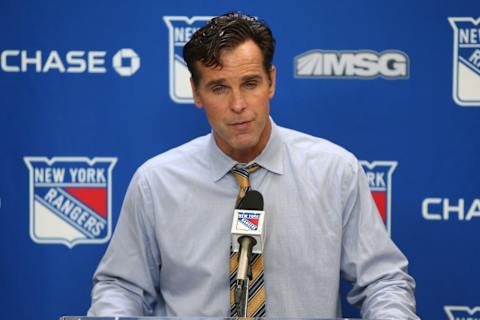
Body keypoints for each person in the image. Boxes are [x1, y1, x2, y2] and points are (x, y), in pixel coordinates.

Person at [88, 12, 418, 319]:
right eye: (219, 88)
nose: (238, 105)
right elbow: (122, 286)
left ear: (271, 82)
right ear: (196, 92)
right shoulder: (156, 183)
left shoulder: (335, 172)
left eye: (250, 83)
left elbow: (382, 281)